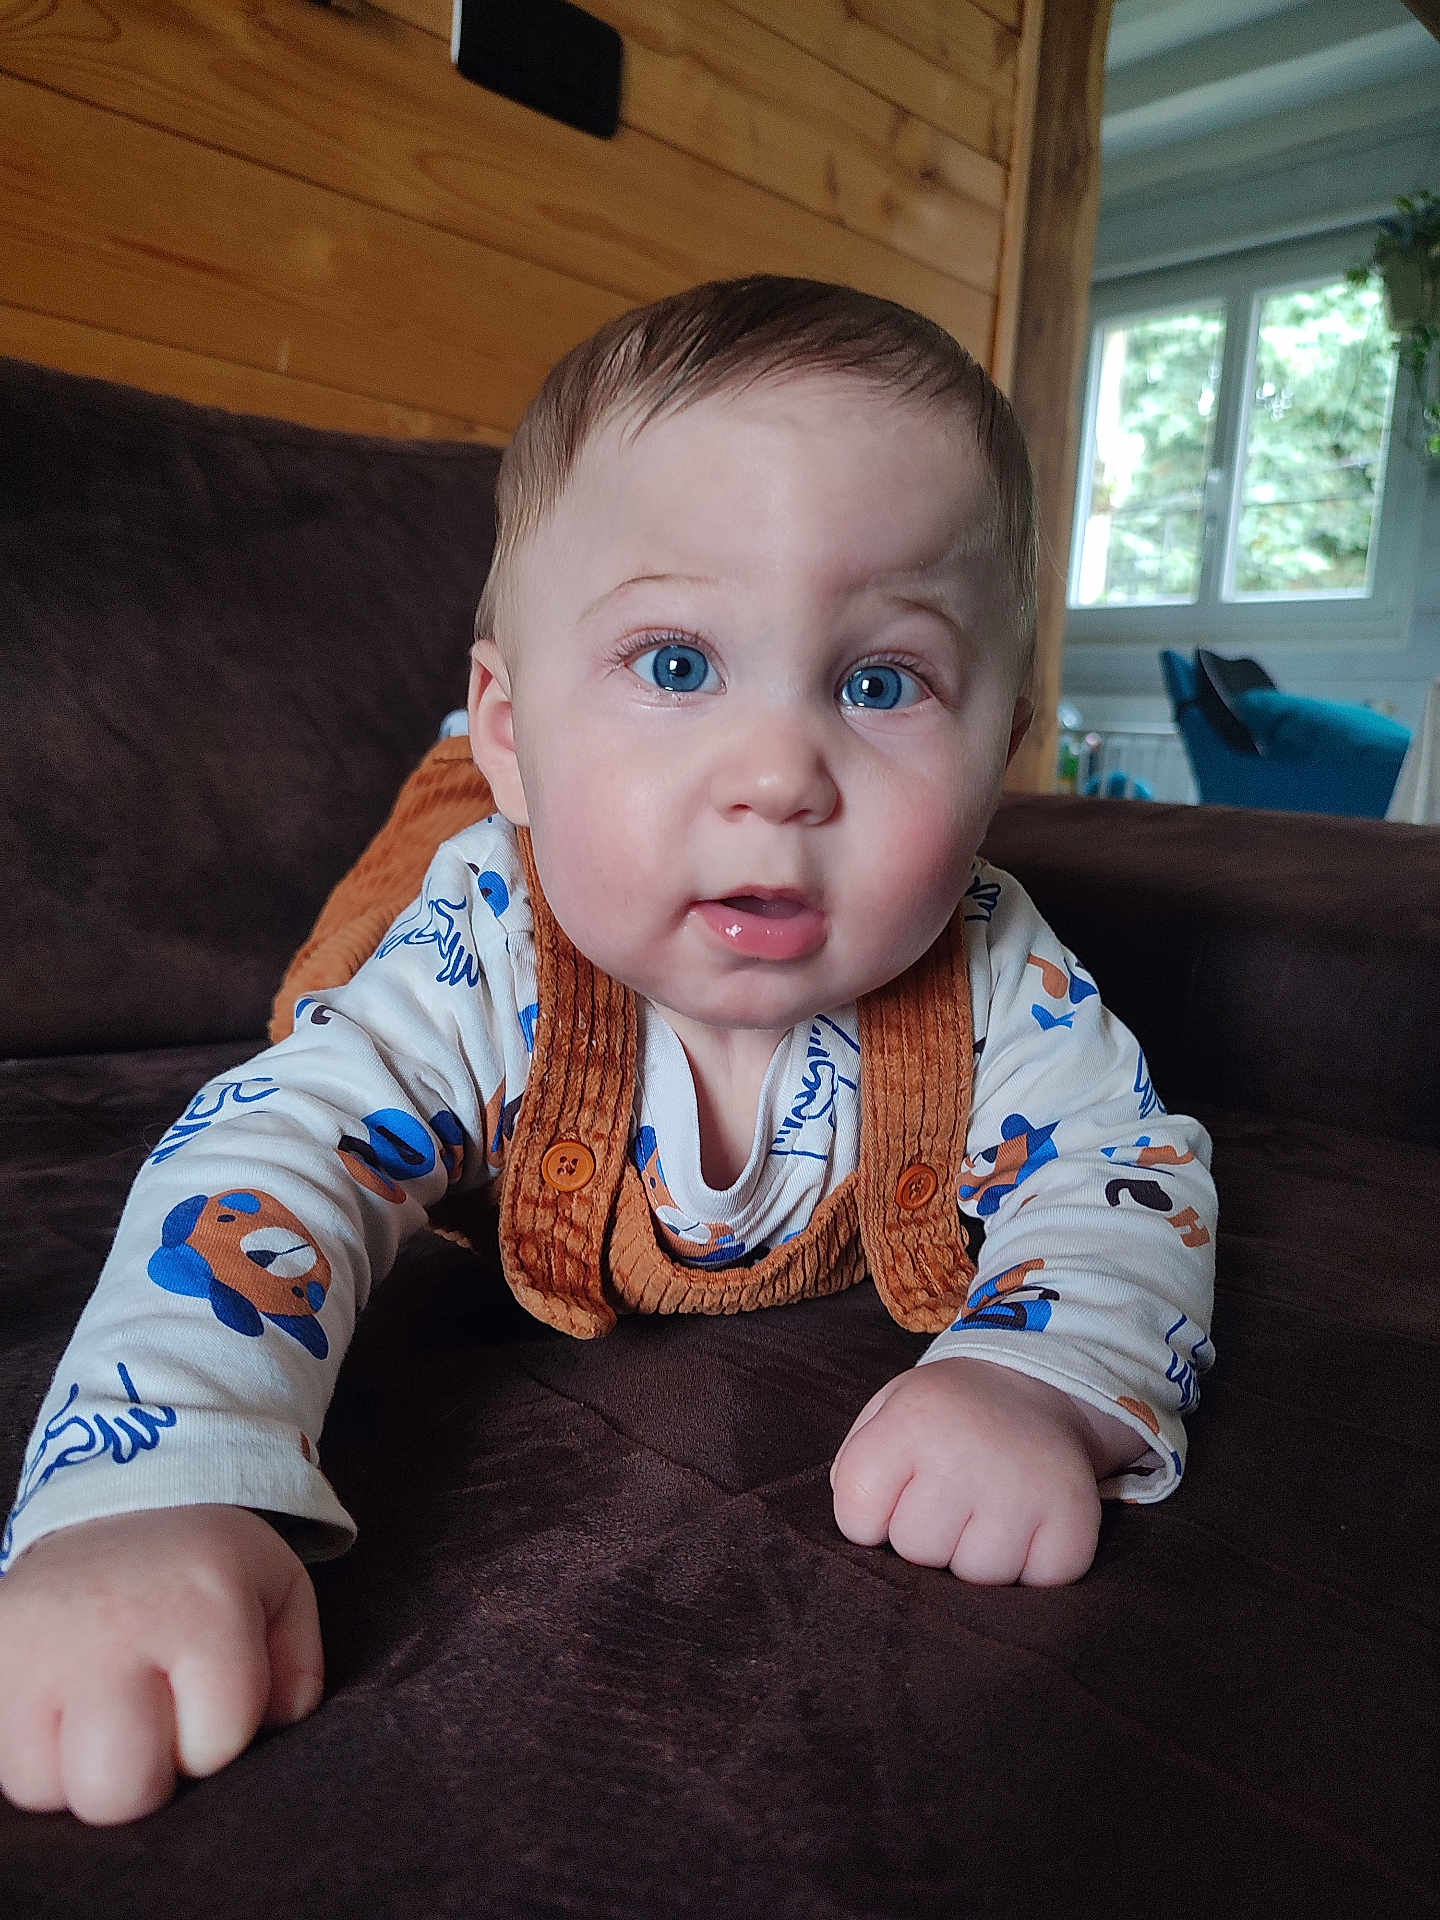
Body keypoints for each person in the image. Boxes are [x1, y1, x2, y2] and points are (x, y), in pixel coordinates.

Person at [0, 277, 1215, 1825]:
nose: (779, 774)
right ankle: (463, 778)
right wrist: (154, 1480)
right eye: (679, 662)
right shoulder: (486, 950)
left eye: (879, 682)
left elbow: (1127, 1166)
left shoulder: (991, 964)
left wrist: (1040, 1377)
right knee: (343, 995)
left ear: (998, 753)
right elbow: (275, 1156)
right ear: (518, 713)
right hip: (494, 892)